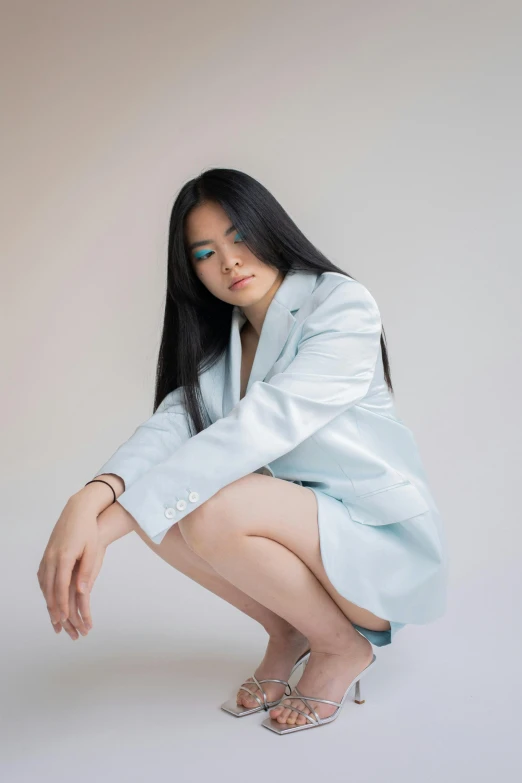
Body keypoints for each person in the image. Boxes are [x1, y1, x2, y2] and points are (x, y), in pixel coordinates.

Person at [37, 167, 448, 734]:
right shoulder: (225, 341)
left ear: (269, 228)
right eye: (205, 253)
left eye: (238, 236)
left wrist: (102, 532)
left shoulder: (341, 305)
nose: (228, 261)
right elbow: (168, 428)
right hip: (312, 546)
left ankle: (341, 648)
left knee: (204, 504)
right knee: (166, 512)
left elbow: (261, 426)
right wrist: (89, 498)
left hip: (376, 551)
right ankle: (289, 631)